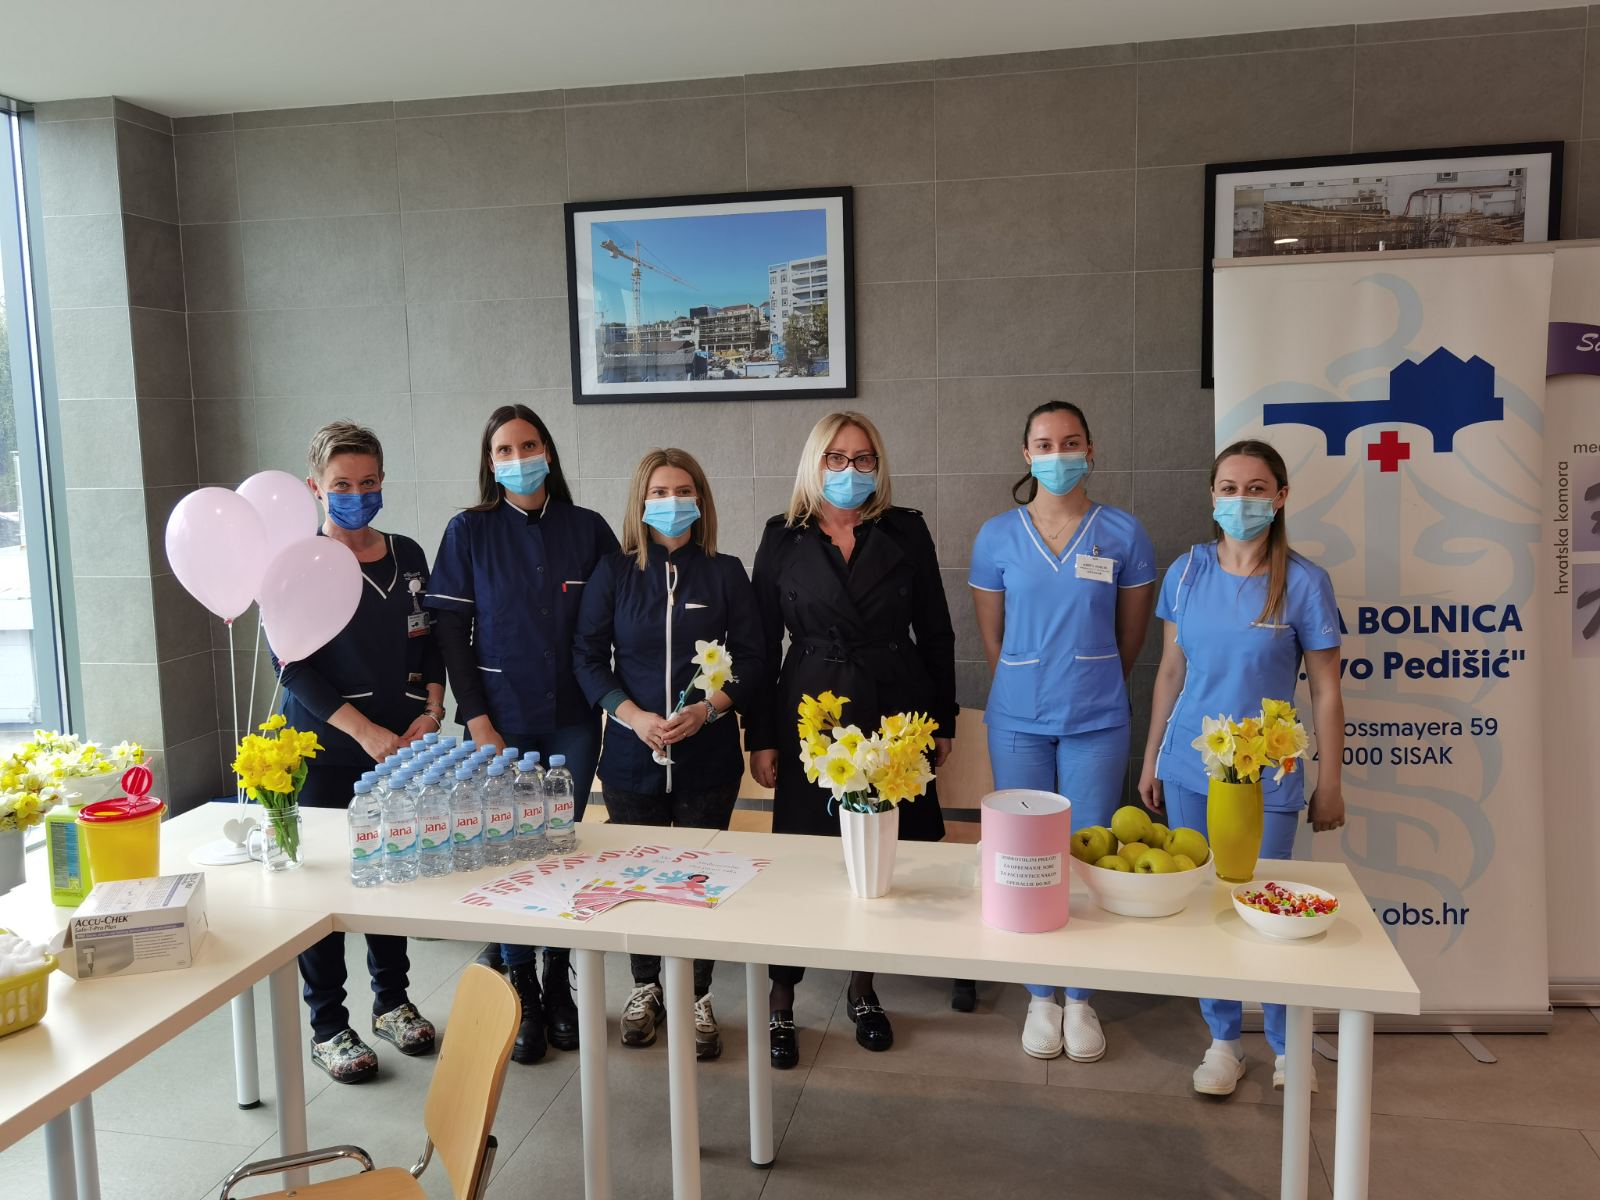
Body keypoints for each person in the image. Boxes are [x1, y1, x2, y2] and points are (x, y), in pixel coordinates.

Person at [1137, 439, 1346, 1097]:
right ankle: (1224, 1042)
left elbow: (1327, 690)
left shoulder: (1304, 582)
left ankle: (1287, 1048)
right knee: (1207, 908)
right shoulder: (1187, 572)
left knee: (1269, 907)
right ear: (1212, 496)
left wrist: (1331, 782)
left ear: (1280, 498)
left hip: (1268, 774)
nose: (1241, 500)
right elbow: (1170, 672)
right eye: (1229, 488)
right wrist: (1152, 758)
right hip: (1189, 767)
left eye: (1256, 489)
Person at [748, 411, 956, 1068]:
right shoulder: (782, 536)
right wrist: (761, 735)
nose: (850, 469)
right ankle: (782, 994)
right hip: (810, 707)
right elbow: (760, 643)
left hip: (894, 705)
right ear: (815, 463)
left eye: (863, 458)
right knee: (802, 854)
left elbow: (937, 629)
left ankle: (863, 988)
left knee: (880, 855)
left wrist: (943, 720)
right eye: (836, 458)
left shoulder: (906, 529)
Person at [425, 404, 619, 1065]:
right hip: (499, 719)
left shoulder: (587, 529)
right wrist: (476, 718)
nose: (519, 458)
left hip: (572, 717)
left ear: (548, 452)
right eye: (504, 450)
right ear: (490, 462)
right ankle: (522, 987)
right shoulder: (469, 531)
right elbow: (451, 632)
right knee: (509, 851)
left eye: (529, 445)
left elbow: (620, 618)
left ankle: (557, 980)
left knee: (557, 846)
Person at [969, 400, 1155, 1063]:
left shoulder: (1124, 534)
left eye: (1071, 442)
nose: (1058, 454)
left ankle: (1080, 996)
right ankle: (1039, 995)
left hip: (1096, 718)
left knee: (1088, 853)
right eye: (1044, 444)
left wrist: (1089, 679)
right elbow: (992, 639)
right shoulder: (996, 536)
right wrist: (1028, 683)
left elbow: (1131, 637)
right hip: (1018, 719)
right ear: (1026, 454)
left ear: (1091, 450)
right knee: (1025, 858)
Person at [573, 448, 764, 1062]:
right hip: (632, 758)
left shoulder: (726, 572)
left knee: (700, 879)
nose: (672, 501)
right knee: (640, 876)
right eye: (659, 491)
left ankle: (698, 994)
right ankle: (646, 986)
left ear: (700, 500)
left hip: (708, 757)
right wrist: (632, 717)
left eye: (683, 490)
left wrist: (708, 709)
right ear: (641, 500)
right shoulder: (613, 573)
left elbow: (756, 658)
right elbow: (587, 658)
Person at [277, 421, 443, 1084]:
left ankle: (392, 1002)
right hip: (326, 748)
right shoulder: (297, 563)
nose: (357, 495)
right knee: (324, 888)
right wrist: (364, 732)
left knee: (388, 874)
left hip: (400, 749)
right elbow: (292, 665)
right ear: (315, 487)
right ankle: (328, 1025)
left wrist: (432, 710)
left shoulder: (408, 554)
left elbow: (431, 639)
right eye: (342, 485)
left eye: (368, 482)